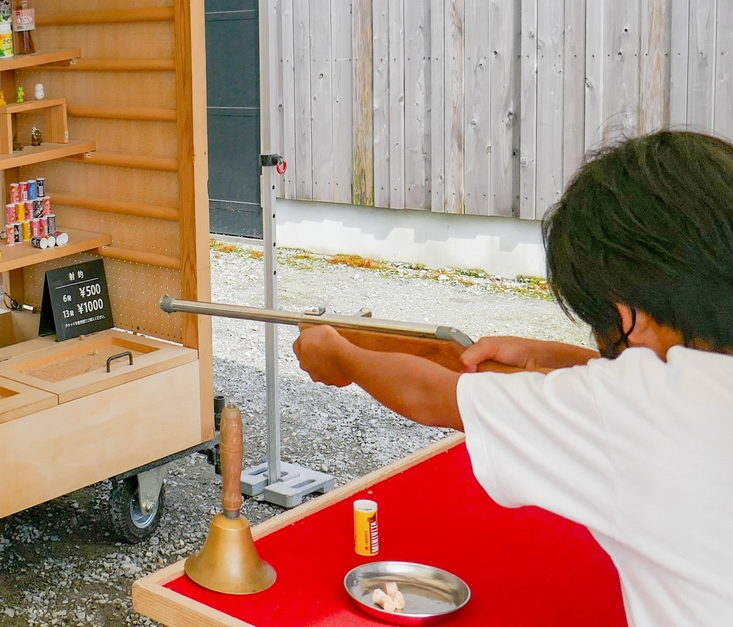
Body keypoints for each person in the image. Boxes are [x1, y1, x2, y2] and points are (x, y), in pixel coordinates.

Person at [292, 130, 733, 627]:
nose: (604, 346)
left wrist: (338, 354)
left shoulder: (641, 410)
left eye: (603, 328)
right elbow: (642, 381)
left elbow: (430, 395)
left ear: (631, 310)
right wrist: (546, 358)